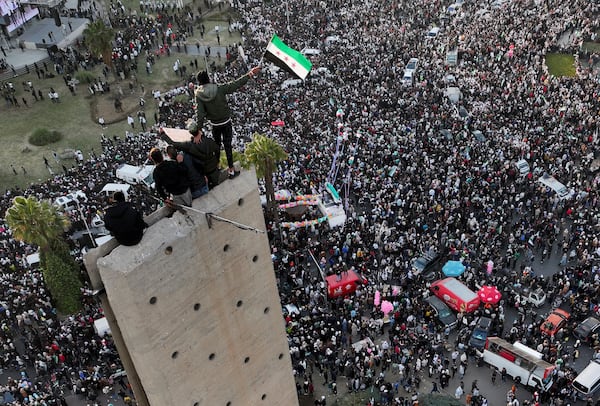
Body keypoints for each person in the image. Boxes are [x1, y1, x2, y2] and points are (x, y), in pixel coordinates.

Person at [194, 66, 260, 179]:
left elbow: (200, 114)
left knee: (217, 146)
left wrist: (198, 130)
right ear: (208, 78)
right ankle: (231, 170)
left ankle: (217, 168)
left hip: (214, 124)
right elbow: (235, 84)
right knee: (227, 146)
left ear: (199, 82)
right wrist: (249, 74)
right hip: (226, 121)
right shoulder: (219, 88)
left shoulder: (199, 95)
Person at [160, 121, 220, 189]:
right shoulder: (209, 141)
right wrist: (217, 161)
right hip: (214, 169)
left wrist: (163, 134)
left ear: (190, 133)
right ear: (198, 130)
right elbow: (217, 150)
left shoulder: (189, 146)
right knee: (217, 186)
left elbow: (173, 144)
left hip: (203, 173)